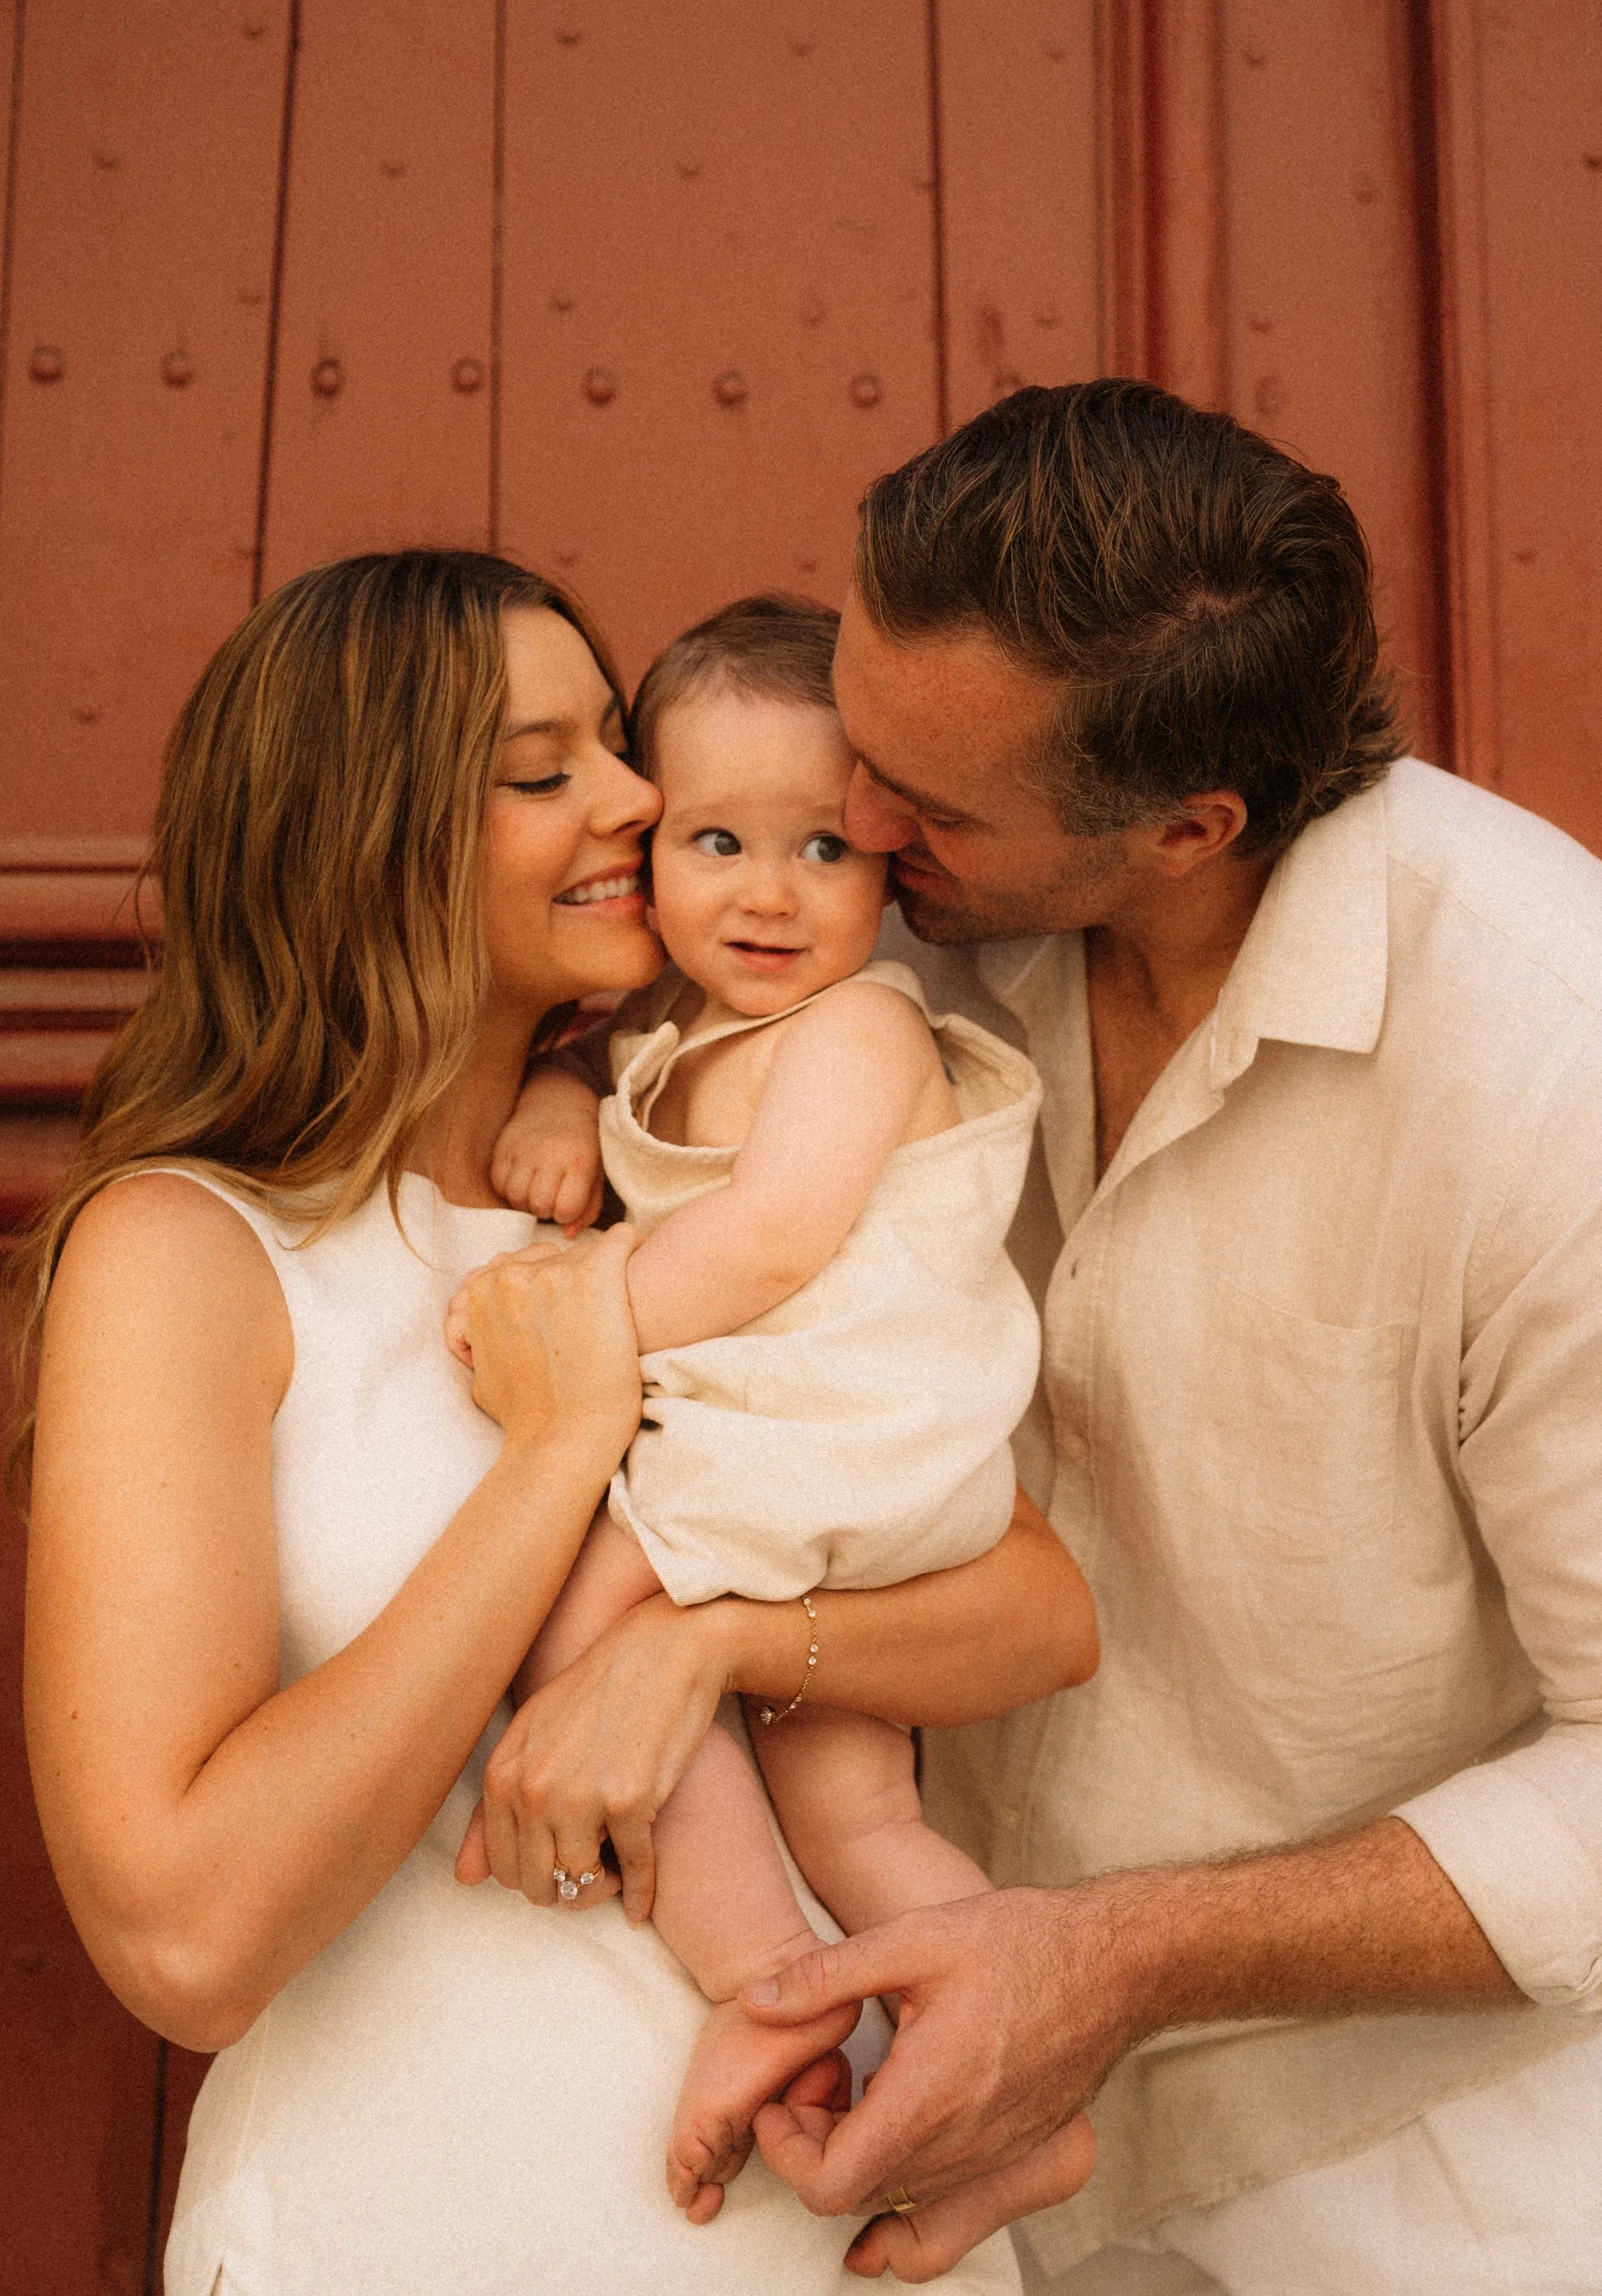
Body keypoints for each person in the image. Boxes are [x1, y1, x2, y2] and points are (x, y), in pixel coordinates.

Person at [712, 383, 1602, 2294]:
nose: (853, 821)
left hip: (1442, 2179)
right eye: (856, 731)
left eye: (929, 801)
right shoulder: (860, 904)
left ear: (1185, 825)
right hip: (941, 2141)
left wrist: (1117, 1953)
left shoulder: (1571, 1062)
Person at [15, 550, 1097, 2295]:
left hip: (848, 2226)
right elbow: (187, 1934)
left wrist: (698, 1647)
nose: (634, 794)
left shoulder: (683, 1193)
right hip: (439, 2232)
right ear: (360, 833)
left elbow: (1041, 1612)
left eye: (614, 742)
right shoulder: (191, 1252)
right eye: (544, 773)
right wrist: (548, 1453)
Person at [456, 593, 1091, 2231]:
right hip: (816, 1458)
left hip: (841, 1435)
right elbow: (611, 1077)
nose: (764, 890)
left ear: (890, 869)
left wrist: (572, 1313)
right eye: (717, 837)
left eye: (824, 849)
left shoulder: (860, 1025)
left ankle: (764, 1977)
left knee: (573, 1615)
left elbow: (773, 1234)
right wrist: (551, 1090)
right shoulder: (668, 1036)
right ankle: (1017, 2080)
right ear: (650, 847)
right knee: (860, 1804)